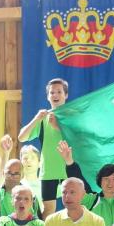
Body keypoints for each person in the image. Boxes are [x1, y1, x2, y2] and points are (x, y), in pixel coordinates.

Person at [18, 77, 69, 217]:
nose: (55, 95)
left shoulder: (72, 116)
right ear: (47, 96)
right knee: (48, 211)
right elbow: (21, 137)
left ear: (66, 95)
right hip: (48, 172)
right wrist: (36, 118)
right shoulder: (43, 119)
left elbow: (79, 140)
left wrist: (57, 127)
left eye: (59, 92)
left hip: (69, 170)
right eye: (52, 92)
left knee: (73, 208)